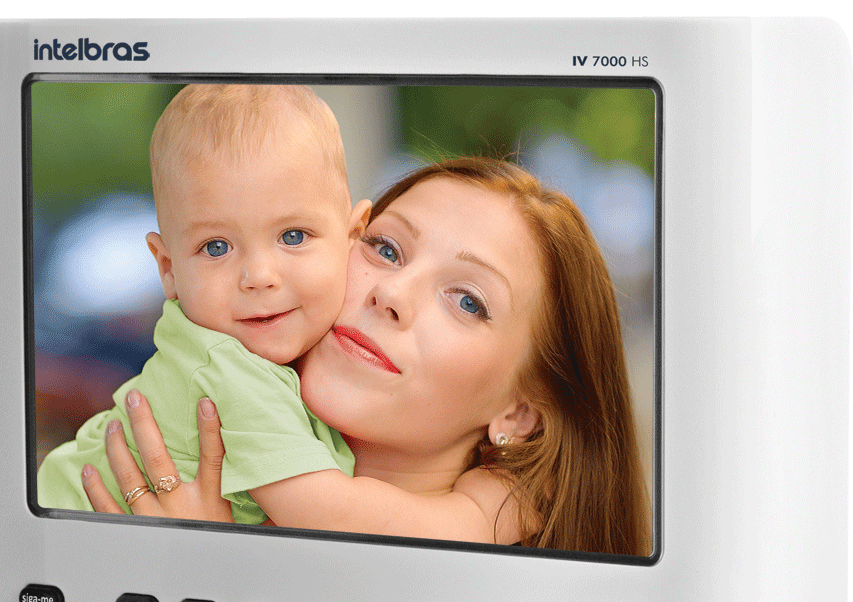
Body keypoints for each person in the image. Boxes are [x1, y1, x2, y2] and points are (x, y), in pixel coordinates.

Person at [82, 157, 651, 557]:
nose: (392, 293)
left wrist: (209, 583)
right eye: (385, 248)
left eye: (467, 301)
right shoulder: (217, 378)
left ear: (520, 415)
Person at [36, 83, 372, 525]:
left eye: (293, 236)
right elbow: (336, 519)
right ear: (169, 269)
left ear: (353, 237)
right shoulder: (228, 372)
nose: (259, 276)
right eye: (216, 247)